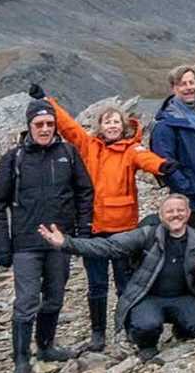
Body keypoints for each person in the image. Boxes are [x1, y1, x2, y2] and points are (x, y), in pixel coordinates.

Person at [40, 90, 168, 353]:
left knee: (125, 283)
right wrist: (48, 102)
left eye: (116, 122)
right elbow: (68, 127)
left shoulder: (131, 150)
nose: (112, 126)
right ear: (100, 126)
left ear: (123, 127)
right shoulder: (89, 147)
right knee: (96, 284)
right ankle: (98, 334)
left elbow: (146, 159)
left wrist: (162, 167)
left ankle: (127, 328)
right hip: (94, 229)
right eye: (107, 121)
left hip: (124, 230)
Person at [37, 193, 195, 362]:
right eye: (170, 211)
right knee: (145, 326)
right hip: (148, 296)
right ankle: (147, 346)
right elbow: (107, 246)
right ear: (161, 216)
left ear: (188, 213)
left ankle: (181, 330)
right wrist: (66, 243)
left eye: (180, 210)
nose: (176, 215)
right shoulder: (146, 235)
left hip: (184, 297)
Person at [0, 98, 96, 373]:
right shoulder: (14, 159)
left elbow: (85, 192)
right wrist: (1, 245)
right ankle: (21, 360)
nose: (45, 128)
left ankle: (46, 346)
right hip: (26, 243)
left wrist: (82, 233)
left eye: (50, 123)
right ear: (29, 126)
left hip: (60, 242)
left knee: (55, 297)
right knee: (26, 302)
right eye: (39, 124)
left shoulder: (69, 153)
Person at [151, 63, 195, 244]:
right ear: (174, 88)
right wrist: (189, 190)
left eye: (192, 82)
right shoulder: (165, 125)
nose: (189, 88)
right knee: (192, 247)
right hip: (191, 201)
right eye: (183, 84)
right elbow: (164, 164)